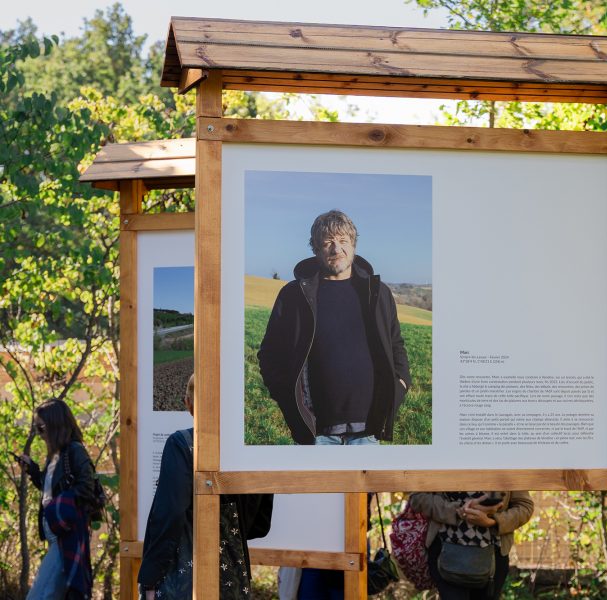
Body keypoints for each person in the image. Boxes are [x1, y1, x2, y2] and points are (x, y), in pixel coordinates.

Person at [258, 209, 412, 446]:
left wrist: (400, 385)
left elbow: (396, 345)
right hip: (317, 432)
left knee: (363, 486)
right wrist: (288, 398)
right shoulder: (294, 295)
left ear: (354, 246)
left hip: (368, 431)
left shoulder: (377, 293)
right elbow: (269, 354)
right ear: (316, 249)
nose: (336, 248)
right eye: (327, 242)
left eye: (343, 241)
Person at [138, 375, 274, 599]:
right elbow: (259, 525)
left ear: (189, 404)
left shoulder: (181, 445)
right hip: (235, 582)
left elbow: (170, 513)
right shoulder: (252, 450)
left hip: (189, 584)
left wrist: (150, 578)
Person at [18, 398, 94, 600]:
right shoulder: (54, 456)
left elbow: (87, 487)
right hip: (56, 537)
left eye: (41, 428)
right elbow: (51, 491)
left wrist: (63, 506)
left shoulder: (75, 451)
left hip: (67, 536)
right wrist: (34, 472)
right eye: (36, 429)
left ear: (56, 425)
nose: (39, 435)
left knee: (39, 596)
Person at [409, 491, 534, 600]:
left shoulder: (506, 465)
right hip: (444, 554)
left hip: (493, 560)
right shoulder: (439, 463)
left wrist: (494, 521)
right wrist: (458, 511)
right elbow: (417, 498)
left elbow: (525, 506)